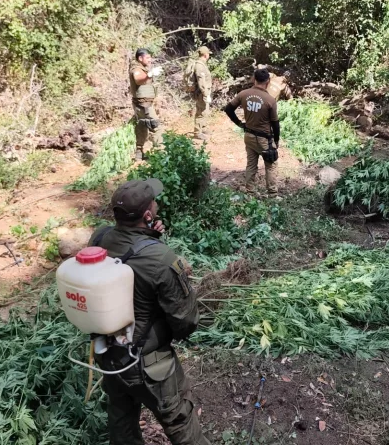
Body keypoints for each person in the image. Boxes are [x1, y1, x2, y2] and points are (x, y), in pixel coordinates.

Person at [88, 179, 211, 445]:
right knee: (180, 421)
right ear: (147, 214)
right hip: (150, 366)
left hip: (109, 355)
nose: (156, 204)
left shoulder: (98, 238)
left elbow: (126, 260)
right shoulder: (161, 259)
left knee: (122, 422)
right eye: (153, 202)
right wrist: (155, 246)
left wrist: (149, 238)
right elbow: (186, 321)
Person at [223, 68, 280, 196]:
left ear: (254, 79)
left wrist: (239, 123)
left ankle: (250, 192)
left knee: (251, 165)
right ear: (268, 81)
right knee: (271, 165)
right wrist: (276, 141)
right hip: (264, 139)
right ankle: (272, 194)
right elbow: (275, 124)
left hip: (248, 135)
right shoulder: (270, 100)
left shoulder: (243, 94)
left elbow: (228, 109)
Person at [130, 48, 162, 160]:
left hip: (144, 105)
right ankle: (160, 154)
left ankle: (139, 154)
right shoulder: (136, 69)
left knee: (142, 127)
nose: (150, 60)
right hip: (143, 106)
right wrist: (149, 74)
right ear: (140, 58)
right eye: (147, 57)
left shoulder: (143, 69)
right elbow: (138, 80)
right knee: (156, 126)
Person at [191, 46, 213, 141]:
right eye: (208, 54)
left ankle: (203, 128)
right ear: (205, 54)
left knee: (205, 110)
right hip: (201, 92)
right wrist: (205, 93)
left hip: (204, 92)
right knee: (200, 111)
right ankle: (197, 132)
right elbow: (201, 82)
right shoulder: (199, 66)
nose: (209, 55)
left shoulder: (202, 64)